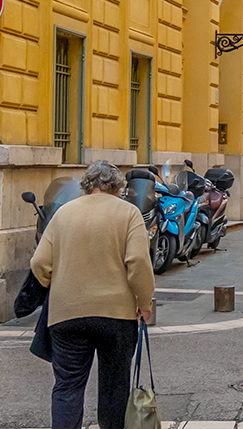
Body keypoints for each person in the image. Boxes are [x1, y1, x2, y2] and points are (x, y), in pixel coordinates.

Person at [30, 160, 154, 429]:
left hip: (66, 314)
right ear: (117, 186)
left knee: (67, 386)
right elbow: (139, 263)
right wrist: (144, 302)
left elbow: (40, 263)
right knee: (114, 386)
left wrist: (59, 284)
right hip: (116, 314)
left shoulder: (64, 213)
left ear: (87, 185)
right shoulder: (129, 213)